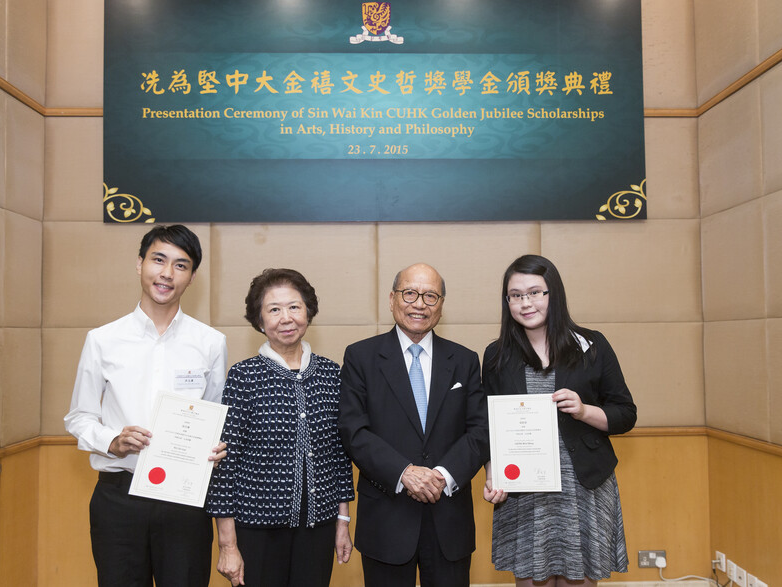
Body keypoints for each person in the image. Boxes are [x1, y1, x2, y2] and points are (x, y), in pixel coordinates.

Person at [64, 224, 228, 587]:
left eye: (181, 265)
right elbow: (79, 417)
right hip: (118, 496)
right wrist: (112, 440)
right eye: (158, 260)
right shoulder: (103, 340)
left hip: (185, 499)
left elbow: (214, 417)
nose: (167, 273)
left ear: (192, 277)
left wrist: (215, 447)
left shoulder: (211, 343)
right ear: (140, 264)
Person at [482, 254, 637, 587]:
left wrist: (583, 411)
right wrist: (492, 474)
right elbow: (489, 426)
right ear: (506, 301)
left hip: (583, 486)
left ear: (554, 294)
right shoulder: (496, 355)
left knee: (577, 581)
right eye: (516, 295)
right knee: (530, 580)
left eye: (536, 292)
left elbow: (625, 414)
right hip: (524, 489)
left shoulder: (591, 345)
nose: (526, 303)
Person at [338, 263, 489, 587]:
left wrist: (442, 476)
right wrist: (404, 472)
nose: (419, 304)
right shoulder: (361, 357)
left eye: (430, 296)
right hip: (386, 519)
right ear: (392, 299)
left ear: (442, 305)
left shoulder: (464, 360)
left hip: (449, 517)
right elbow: (353, 431)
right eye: (410, 293)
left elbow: (479, 431)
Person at [206, 268, 355, 587]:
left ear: (308, 312)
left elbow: (340, 456)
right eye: (274, 309)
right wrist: (227, 545)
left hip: (319, 526)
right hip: (256, 530)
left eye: (294, 307)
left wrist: (343, 521)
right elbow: (223, 465)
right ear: (259, 322)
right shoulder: (243, 377)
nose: (286, 318)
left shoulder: (331, 374)